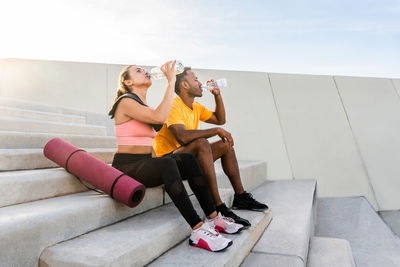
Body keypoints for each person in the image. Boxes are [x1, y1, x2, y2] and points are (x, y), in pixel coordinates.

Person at [109, 61, 243, 252]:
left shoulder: (143, 105)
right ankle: (197, 230)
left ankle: (214, 217)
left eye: (143, 69)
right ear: (128, 82)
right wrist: (171, 80)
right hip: (127, 167)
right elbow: (159, 118)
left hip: (145, 163)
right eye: (138, 71)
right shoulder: (125, 101)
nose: (144, 71)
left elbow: (151, 138)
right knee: (166, 164)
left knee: (187, 160)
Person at [153, 67, 269, 228]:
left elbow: (220, 120)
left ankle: (240, 196)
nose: (200, 83)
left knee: (225, 145)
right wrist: (215, 131)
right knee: (202, 143)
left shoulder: (196, 107)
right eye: (195, 80)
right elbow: (183, 136)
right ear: (185, 85)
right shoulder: (174, 105)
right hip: (169, 162)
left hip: (187, 158)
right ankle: (217, 206)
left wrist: (217, 96)